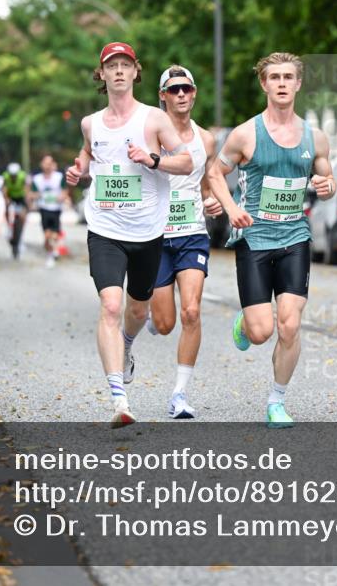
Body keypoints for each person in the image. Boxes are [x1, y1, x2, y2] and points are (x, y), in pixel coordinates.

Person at [65, 41, 193, 428]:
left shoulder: (154, 119)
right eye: (111, 66)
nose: (118, 71)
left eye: (125, 65)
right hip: (104, 229)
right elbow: (88, 153)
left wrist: (152, 159)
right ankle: (119, 397)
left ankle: (128, 344)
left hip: (148, 231)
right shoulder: (91, 122)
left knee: (138, 310)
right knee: (109, 306)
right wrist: (79, 171)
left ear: (136, 72)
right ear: (101, 75)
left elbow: (186, 161)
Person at [207, 52, 336, 429]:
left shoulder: (316, 138)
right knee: (262, 331)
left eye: (288, 77)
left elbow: (326, 184)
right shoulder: (246, 134)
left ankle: (276, 401)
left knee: (290, 325)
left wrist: (326, 187)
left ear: (298, 84)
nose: (281, 83)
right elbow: (216, 173)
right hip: (254, 239)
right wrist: (231, 208)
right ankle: (246, 324)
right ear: (264, 84)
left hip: (295, 236)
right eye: (274, 77)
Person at [141, 65, 224, 419]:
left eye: (186, 89)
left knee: (191, 311)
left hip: (192, 234)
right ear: (162, 96)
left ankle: (179, 394)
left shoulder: (206, 140)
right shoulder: (150, 135)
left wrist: (213, 200)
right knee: (165, 324)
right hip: (157, 237)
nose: (180, 95)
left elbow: (208, 182)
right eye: (173, 90)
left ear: (194, 93)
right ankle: (145, 312)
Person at [30, 154, 69, 268]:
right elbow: (32, 193)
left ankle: (53, 251)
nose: (47, 166)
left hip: (56, 209)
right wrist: (36, 196)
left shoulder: (59, 177)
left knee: (55, 235)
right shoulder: (37, 179)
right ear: (41, 165)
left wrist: (62, 197)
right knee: (47, 236)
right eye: (45, 163)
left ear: (53, 165)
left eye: (49, 163)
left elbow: (65, 191)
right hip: (44, 209)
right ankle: (51, 254)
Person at [2, 161, 30, 255]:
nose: (13, 177)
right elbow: (4, 189)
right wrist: (6, 199)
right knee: (6, 209)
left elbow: (26, 188)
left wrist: (26, 199)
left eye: (14, 175)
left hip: (20, 197)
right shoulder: (6, 176)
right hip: (11, 196)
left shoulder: (22, 176)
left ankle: (20, 236)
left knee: (23, 216)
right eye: (11, 175)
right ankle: (9, 227)